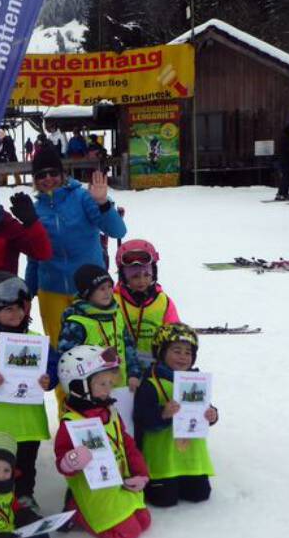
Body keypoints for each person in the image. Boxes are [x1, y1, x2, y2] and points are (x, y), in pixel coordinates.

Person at [0, 275, 59, 509]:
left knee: (25, 465)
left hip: (28, 424)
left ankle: (25, 497)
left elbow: (54, 366)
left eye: (18, 309)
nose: (15, 314)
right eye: (7, 310)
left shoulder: (36, 341)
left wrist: (49, 379)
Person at [55, 346, 152, 538]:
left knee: (144, 521)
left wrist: (140, 473)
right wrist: (71, 461)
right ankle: (79, 511)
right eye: (102, 384)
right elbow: (62, 461)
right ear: (78, 386)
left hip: (119, 484)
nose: (109, 389)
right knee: (128, 533)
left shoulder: (110, 410)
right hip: (96, 493)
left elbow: (128, 445)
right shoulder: (72, 422)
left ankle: (81, 507)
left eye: (111, 382)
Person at [28, 150, 126, 344]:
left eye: (53, 173)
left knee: (96, 346)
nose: (48, 178)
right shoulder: (35, 209)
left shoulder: (83, 197)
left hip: (90, 290)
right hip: (51, 291)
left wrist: (103, 203)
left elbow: (117, 231)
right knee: (58, 349)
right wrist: (28, 293)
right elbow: (34, 257)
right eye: (41, 175)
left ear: (63, 174)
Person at [134, 324, 218, 507]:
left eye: (188, 353)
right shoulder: (150, 383)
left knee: (200, 494)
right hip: (162, 461)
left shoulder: (197, 381)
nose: (183, 357)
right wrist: (162, 413)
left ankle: (188, 473)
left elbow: (205, 409)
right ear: (161, 352)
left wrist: (212, 415)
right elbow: (140, 418)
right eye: (176, 350)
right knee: (164, 500)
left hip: (191, 459)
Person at [57, 265, 143, 411]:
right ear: (87, 293)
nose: (108, 292)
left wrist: (134, 373)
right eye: (101, 289)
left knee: (120, 431)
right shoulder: (77, 323)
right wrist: (79, 392)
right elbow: (67, 362)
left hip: (122, 388)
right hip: (92, 393)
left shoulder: (117, 314)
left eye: (110, 287)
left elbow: (129, 347)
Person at [113, 239, 181, 359]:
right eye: (134, 276)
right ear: (123, 276)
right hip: (123, 365)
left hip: (156, 366)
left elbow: (175, 335)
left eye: (147, 275)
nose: (141, 281)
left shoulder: (163, 302)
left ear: (154, 273)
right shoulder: (113, 300)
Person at [275, 123, 289, 200]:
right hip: (284, 160)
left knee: (287, 177)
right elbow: (284, 148)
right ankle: (282, 193)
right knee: (285, 177)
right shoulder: (285, 137)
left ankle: (283, 193)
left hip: (288, 160)